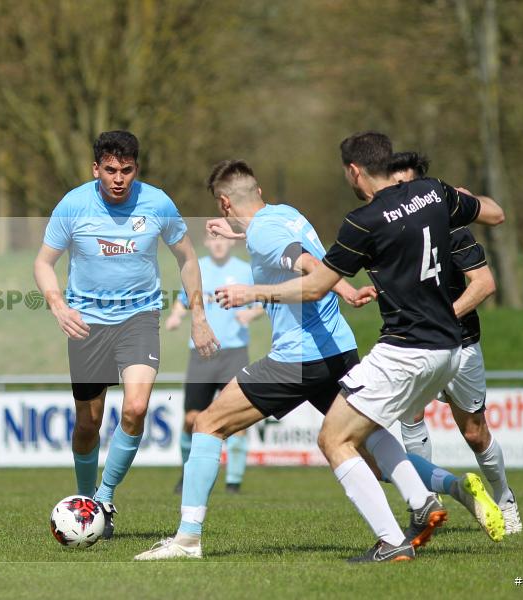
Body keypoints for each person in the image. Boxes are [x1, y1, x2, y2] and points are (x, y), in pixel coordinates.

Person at [233, 131, 505, 562]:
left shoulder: (364, 221)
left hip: (406, 349)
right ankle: (423, 503)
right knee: (369, 432)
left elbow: (316, 287)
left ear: (354, 171)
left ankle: (392, 541)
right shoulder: (434, 192)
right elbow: (494, 213)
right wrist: (466, 200)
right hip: (450, 349)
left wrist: (253, 293)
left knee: (334, 439)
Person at [134, 159, 370, 561]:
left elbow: (309, 266)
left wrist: (253, 292)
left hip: (299, 356)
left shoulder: (262, 232)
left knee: (208, 424)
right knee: (373, 449)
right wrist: (346, 292)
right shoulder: (288, 214)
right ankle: (442, 494)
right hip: (337, 348)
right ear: (258, 190)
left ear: (224, 202)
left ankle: (187, 540)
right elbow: (302, 253)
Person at [34, 131, 218, 539]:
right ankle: (85, 501)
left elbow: (187, 258)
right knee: (89, 422)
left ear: (137, 168)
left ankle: (102, 498)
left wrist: (198, 314)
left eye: (127, 170)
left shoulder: (158, 203)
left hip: (139, 319)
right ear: (95, 168)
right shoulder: (73, 204)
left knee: (135, 408)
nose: (119, 178)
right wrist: (59, 306)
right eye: (111, 170)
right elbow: (44, 263)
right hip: (87, 324)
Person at [389, 152, 521, 535]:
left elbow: (485, 285)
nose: (401, 195)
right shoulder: (390, 232)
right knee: (409, 415)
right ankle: (424, 505)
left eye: (407, 187)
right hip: (414, 346)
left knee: (475, 433)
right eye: (395, 187)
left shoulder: (452, 228)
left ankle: (505, 498)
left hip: (459, 346)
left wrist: (442, 317)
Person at [165, 227, 264, 494]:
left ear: (231, 242)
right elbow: (184, 300)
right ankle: (187, 475)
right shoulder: (196, 268)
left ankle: (233, 482)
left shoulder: (245, 270)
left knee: (237, 416)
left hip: (234, 353)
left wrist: (251, 315)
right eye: (213, 238)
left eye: (223, 238)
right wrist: (176, 316)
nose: (218, 243)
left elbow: (263, 300)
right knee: (191, 418)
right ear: (206, 242)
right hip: (201, 353)